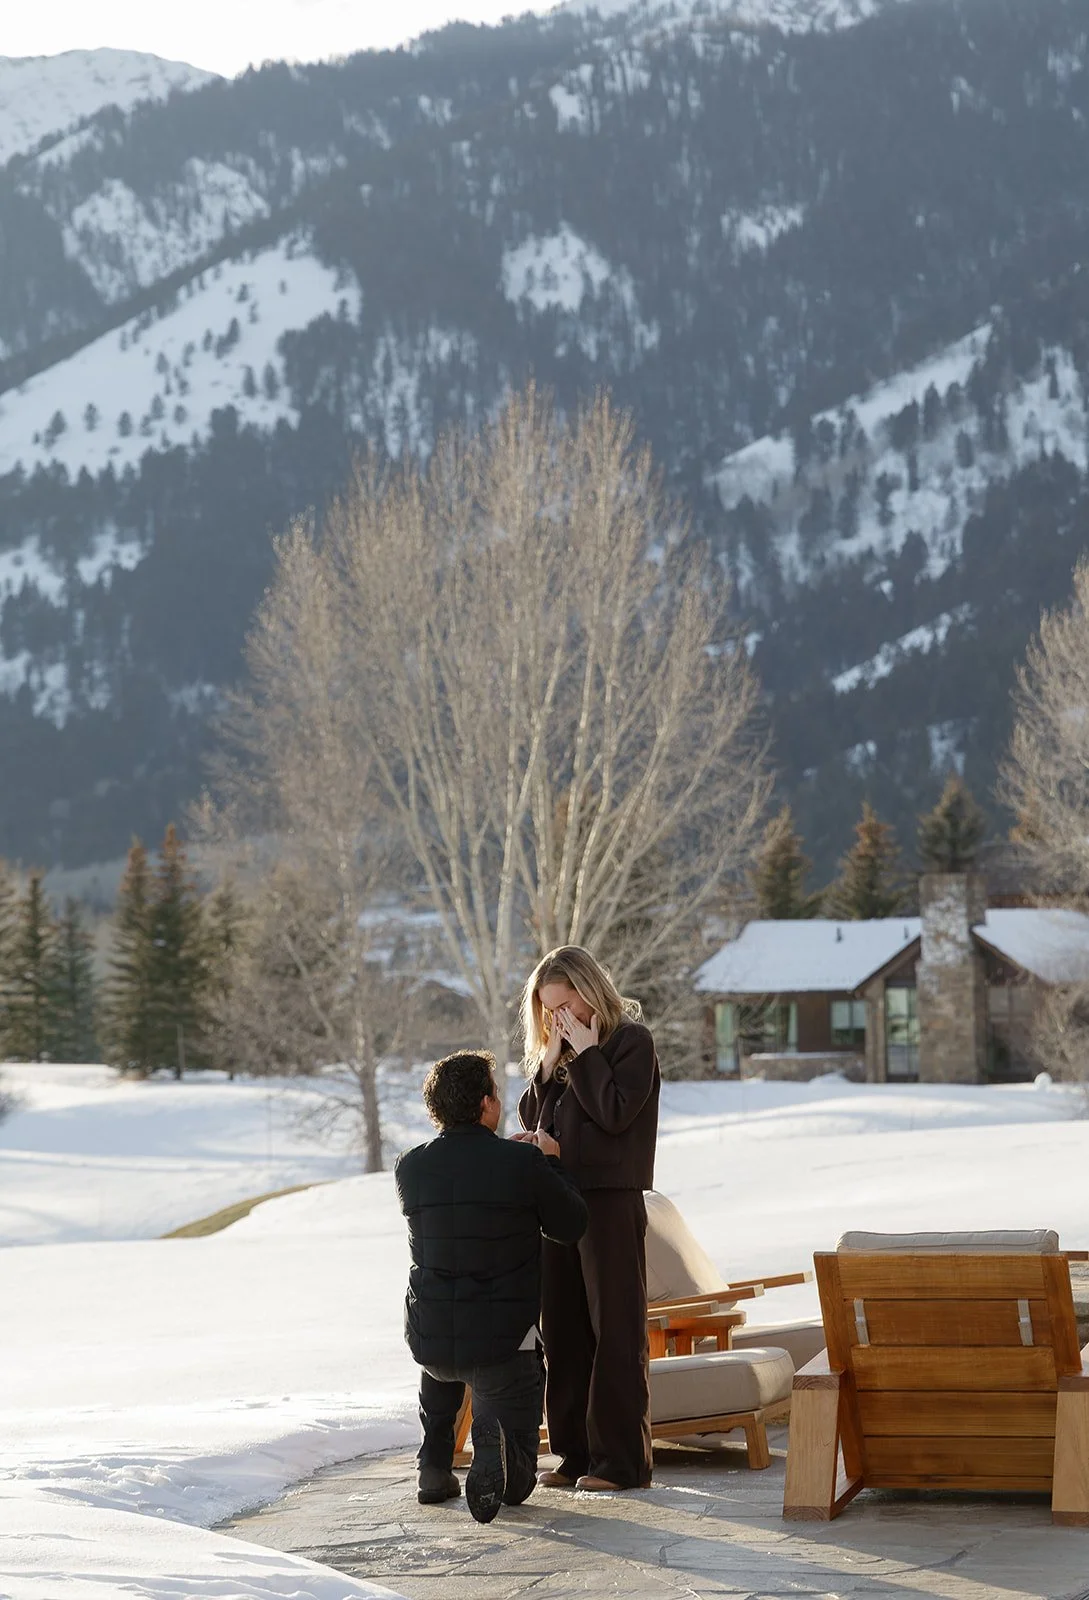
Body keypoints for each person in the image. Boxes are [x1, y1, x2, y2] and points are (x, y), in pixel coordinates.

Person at [395, 1049, 588, 1524]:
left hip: (432, 1342)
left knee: (448, 1336)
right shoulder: (521, 1163)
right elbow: (571, 1224)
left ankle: (434, 1465)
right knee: (518, 1477)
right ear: (485, 1104)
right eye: (497, 1094)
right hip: (504, 1345)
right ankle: (502, 1457)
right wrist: (551, 1161)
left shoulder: (410, 1167)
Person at [517, 945, 661, 1493]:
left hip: (610, 1201)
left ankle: (620, 1463)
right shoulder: (561, 1054)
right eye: (548, 1010)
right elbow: (539, 1117)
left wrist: (585, 1055)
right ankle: (575, 1456)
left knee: (615, 1332)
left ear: (589, 990)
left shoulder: (629, 1043)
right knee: (566, 1331)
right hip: (561, 1203)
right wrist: (551, 1063)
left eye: (565, 1004)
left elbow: (616, 1114)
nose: (558, 1018)